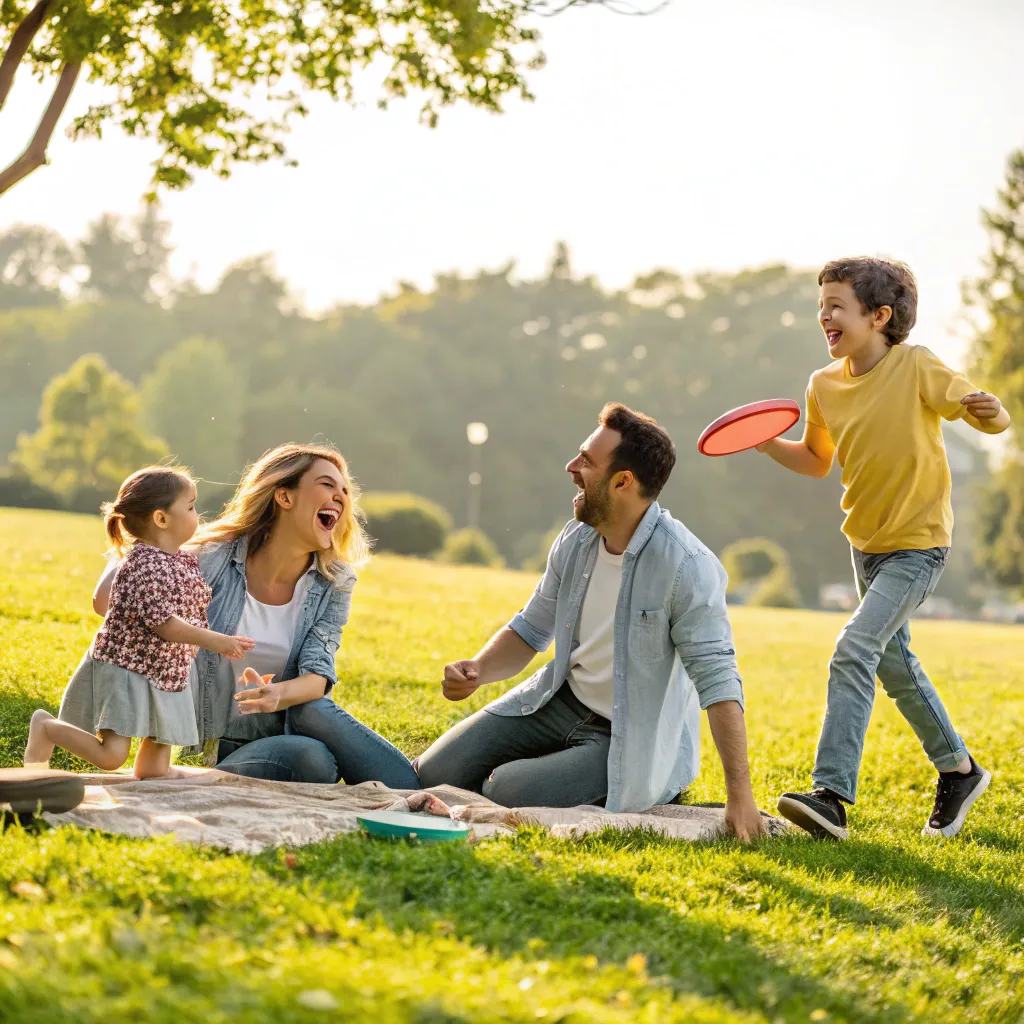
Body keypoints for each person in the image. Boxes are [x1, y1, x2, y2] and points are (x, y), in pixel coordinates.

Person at [416, 403, 766, 840]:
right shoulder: (576, 539)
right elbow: (531, 626)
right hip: (561, 702)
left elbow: (718, 681)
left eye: (586, 461)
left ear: (623, 481)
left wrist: (740, 795)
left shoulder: (687, 566)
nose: (571, 467)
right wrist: (478, 669)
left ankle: (645, 785)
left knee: (505, 788)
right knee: (433, 772)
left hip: (628, 737)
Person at [757, 256, 1010, 840]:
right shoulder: (823, 385)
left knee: (854, 649)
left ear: (880, 316)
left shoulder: (915, 365)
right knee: (895, 666)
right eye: (821, 306)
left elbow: (984, 415)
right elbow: (817, 461)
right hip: (864, 547)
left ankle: (831, 796)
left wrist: (992, 415)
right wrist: (771, 446)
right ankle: (960, 770)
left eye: (836, 305)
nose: (824, 316)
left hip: (918, 546)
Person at [95, 443, 419, 787]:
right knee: (314, 762)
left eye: (345, 490)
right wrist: (138, 550)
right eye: (327, 484)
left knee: (314, 718)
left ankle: (414, 790)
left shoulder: (334, 582)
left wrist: (276, 695)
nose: (340, 496)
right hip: (220, 741)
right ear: (285, 497)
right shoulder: (213, 558)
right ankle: (199, 777)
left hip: (287, 729)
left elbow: (317, 676)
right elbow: (107, 601)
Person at [23, 466, 255, 779]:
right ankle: (46, 728)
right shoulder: (145, 563)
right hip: (127, 666)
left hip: (166, 669)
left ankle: (156, 776)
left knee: (156, 764)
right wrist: (215, 640)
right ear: (161, 519)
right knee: (111, 756)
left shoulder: (178, 558)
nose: (197, 515)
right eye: (190, 507)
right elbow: (162, 623)